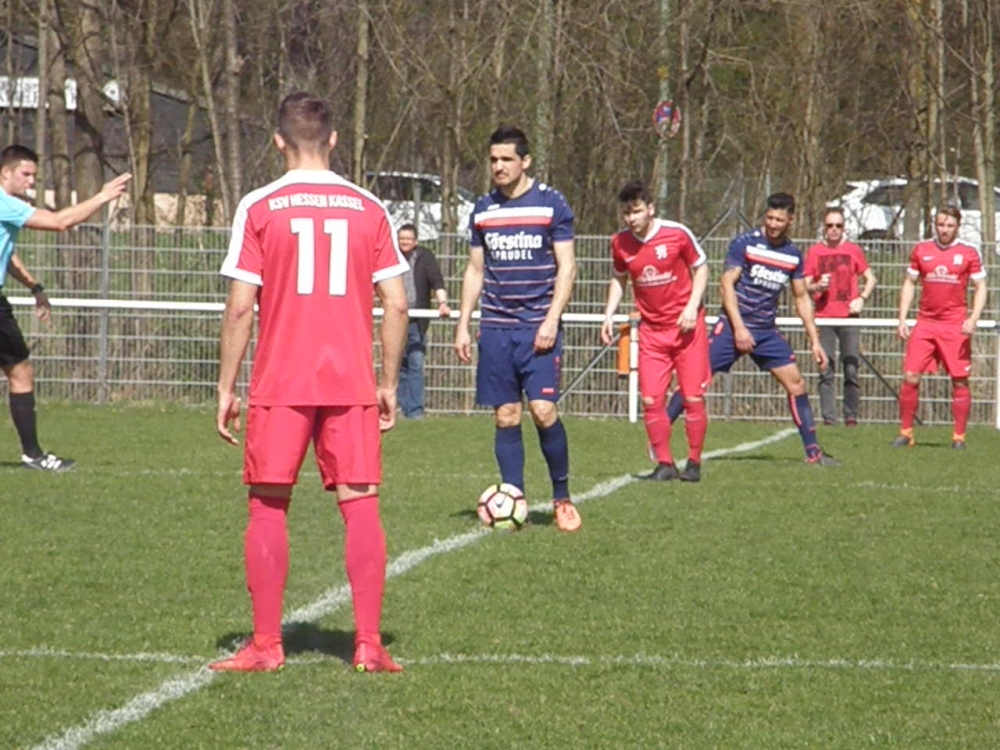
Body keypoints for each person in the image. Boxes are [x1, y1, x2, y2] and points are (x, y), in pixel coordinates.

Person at [211, 92, 409, 674]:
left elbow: (240, 307)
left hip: (281, 380)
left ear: (278, 142)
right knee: (361, 507)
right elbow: (397, 304)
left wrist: (226, 387)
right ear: (334, 140)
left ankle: (266, 645)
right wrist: (388, 382)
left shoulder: (260, 205)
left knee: (268, 508)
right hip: (351, 382)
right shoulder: (369, 206)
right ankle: (368, 644)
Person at [454, 125, 581, 532]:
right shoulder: (482, 210)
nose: (498, 166)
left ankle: (561, 498)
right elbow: (475, 270)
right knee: (506, 415)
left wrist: (551, 319)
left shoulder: (550, 204)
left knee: (543, 411)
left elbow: (567, 267)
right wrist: (463, 324)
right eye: (493, 159)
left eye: (506, 159)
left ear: (525, 161)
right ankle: (515, 499)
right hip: (496, 328)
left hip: (537, 328)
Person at [666, 192, 839, 465]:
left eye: (779, 220)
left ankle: (814, 453)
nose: (773, 224)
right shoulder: (745, 243)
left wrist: (814, 340)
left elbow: (801, 297)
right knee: (694, 381)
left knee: (796, 384)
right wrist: (739, 328)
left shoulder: (793, 255)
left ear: (791, 220)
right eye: (769, 218)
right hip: (733, 326)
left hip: (766, 332)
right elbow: (726, 284)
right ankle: (659, 436)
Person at [0, 144, 131, 471]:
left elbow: (7, 254)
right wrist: (102, 197)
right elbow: (60, 222)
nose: (31, 181)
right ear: (5, 173)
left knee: (19, 369)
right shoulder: (5, 203)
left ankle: (33, 454)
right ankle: (33, 455)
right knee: (20, 371)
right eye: (25, 174)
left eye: (34, 175)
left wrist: (34, 286)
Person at [601, 181, 710, 483]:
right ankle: (665, 464)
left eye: (636, 211)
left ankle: (694, 462)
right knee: (651, 399)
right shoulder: (620, 243)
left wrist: (692, 307)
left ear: (650, 209)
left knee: (692, 396)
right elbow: (619, 278)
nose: (631, 218)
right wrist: (608, 314)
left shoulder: (677, 234)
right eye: (626, 213)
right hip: (651, 331)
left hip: (686, 328)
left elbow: (702, 268)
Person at [892, 206, 986, 450]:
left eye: (950, 225)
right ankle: (906, 433)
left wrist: (973, 317)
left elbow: (981, 287)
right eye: (941, 225)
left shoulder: (968, 253)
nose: (944, 230)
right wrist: (902, 319)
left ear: (958, 226)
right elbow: (910, 282)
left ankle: (959, 437)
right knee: (911, 375)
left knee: (960, 380)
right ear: (935, 224)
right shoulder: (921, 250)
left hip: (955, 325)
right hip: (926, 323)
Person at [803, 207, 877, 426]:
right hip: (824, 317)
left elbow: (870, 278)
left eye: (838, 225)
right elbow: (805, 284)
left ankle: (851, 415)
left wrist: (862, 298)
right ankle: (829, 418)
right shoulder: (815, 252)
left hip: (849, 317)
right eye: (830, 226)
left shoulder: (853, 250)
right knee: (825, 368)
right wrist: (817, 286)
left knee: (851, 368)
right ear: (824, 228)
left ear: (844, 228)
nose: (834, 230)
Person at [397, 223, 451, 419]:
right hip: (395, 318)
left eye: (408, 239)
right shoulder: (391, 256)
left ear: (416, 241)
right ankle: (402, 407)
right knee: (398, 364)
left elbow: (436, 281)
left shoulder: (425, 257)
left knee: (415, 362)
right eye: (401, 238)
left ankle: (415, 411)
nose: (404, 242)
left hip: (417, 320)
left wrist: (442, 303)